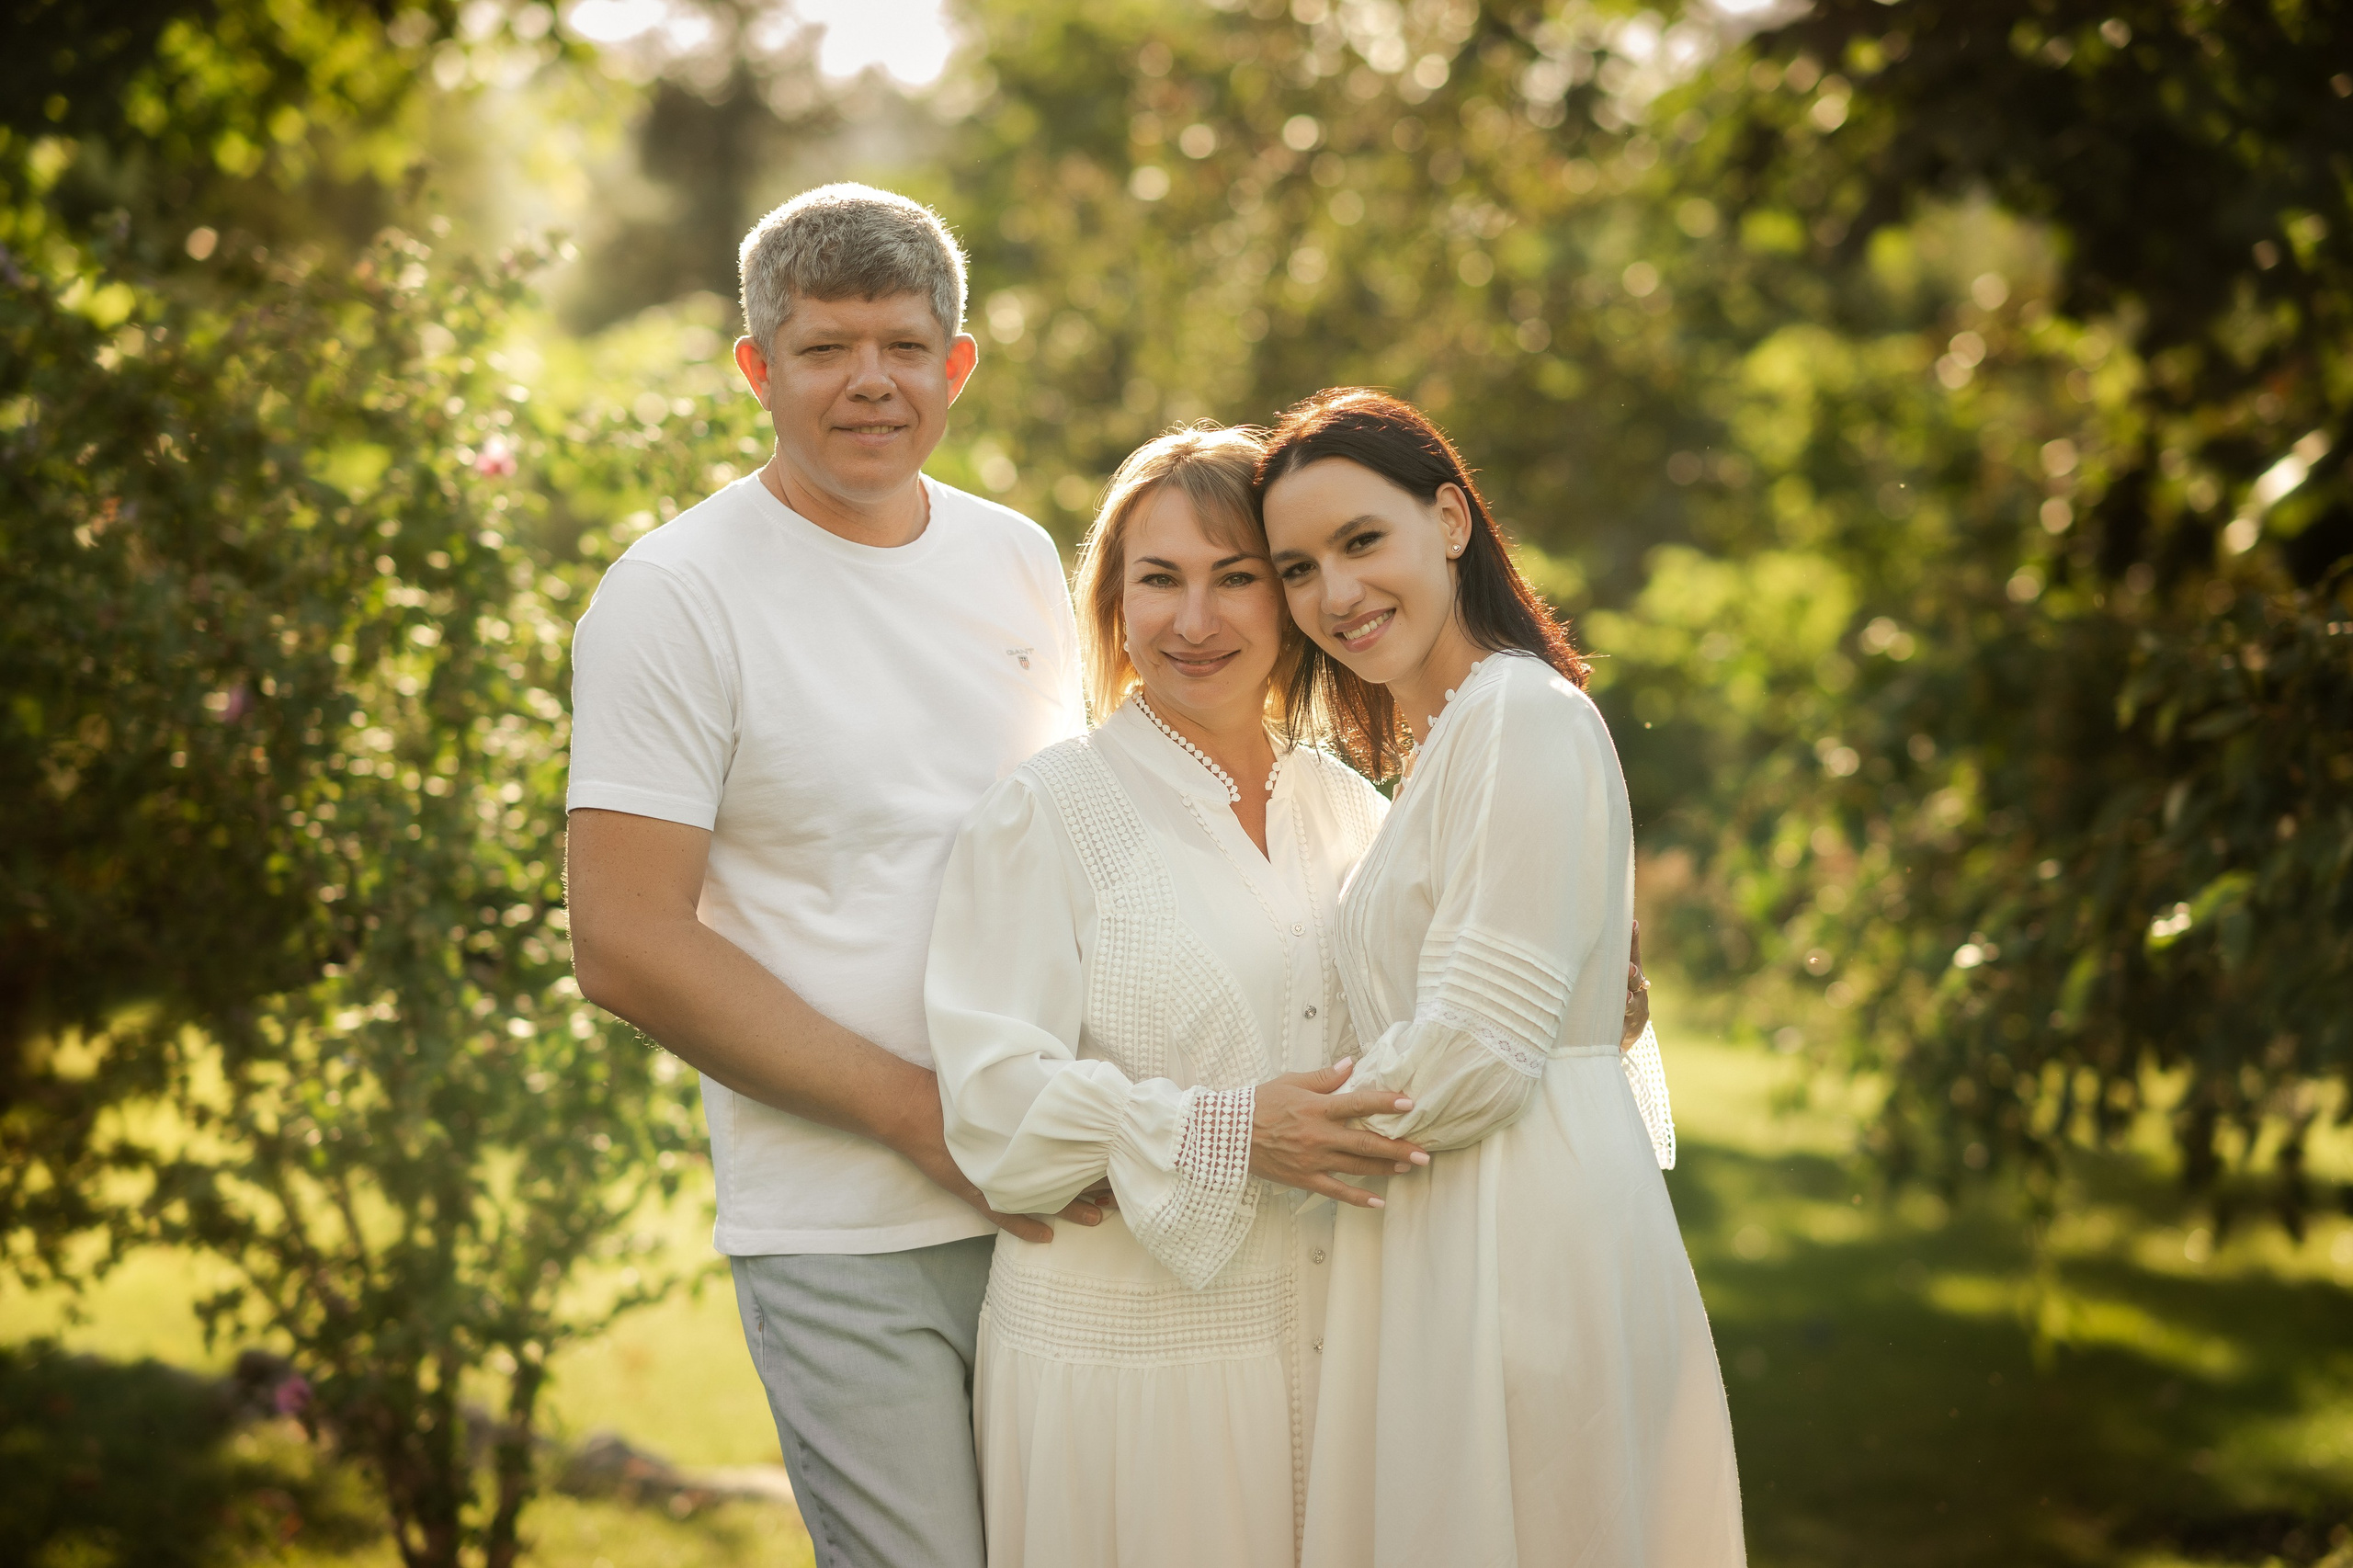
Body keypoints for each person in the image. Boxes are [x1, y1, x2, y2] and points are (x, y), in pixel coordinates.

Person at [563, 184, 1102, 1568]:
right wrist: (918, 1115)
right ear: (757, 367)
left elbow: (1109, 840)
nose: (872, 380)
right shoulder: (674, 592)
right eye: (825, 348)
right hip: (844, 1223)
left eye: (906, 346)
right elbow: (623, 940)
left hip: (1057, 1187)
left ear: (956, 366)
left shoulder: (1019, 555)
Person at [923, 425, 1439, 1566]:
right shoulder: (1047, 812)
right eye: (1157, 580)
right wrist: (1226, 1126)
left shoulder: (1349, 808)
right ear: (1112, 602)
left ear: (1293, 595)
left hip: (1329, 1350)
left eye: (1236, 577)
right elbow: (999, 1114)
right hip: (1125, 1380)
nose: (1192, 620)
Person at [1258, 389, 1745, 1568]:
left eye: (1362, 541)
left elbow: (1473, 1055)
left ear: (1451, 520)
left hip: (1514, 1220)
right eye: (1296, 566)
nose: (1335, 592)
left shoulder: (1520, 713)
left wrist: (1237, 1136)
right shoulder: (1452, 740)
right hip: (1449, 1204)